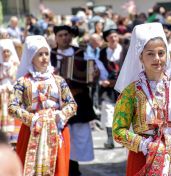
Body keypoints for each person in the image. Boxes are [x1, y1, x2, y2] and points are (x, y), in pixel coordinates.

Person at [113, 22, 171, 176]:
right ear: (140, 57)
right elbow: (118, 131)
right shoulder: (131, 92)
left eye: (161, 53)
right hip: (143, 158)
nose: (157, 58)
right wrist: (145, 145)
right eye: (150, 53)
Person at [8, 35, 77, 176]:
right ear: (31, 57)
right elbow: (12, 107)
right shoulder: (23, 82)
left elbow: (72, 104)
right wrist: (32, 119)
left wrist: (61, 115)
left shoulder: (58, 80)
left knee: (58, 169)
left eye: (46, 53)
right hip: (32, 130)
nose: (44, 57)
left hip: (57, 129)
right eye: (40, 54)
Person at [51, 25, 97, 176]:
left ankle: (73, 169)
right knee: (60, 136)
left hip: (78, 101)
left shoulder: (81, 53)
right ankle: (63, 168)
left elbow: (95, 70)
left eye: (67, 35)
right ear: (56, 38)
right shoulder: (49, 55)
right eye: (61, 35)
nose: (65, 38)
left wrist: (94, 73)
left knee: (76, 137)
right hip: (56, 102)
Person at [99, 28, 124, 149]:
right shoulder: (103, 52)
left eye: (115, 36)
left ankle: (126, 139)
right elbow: (100, 68)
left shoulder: (125, 50)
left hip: (124, 88)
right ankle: (110, 139)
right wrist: (102, 80)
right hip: (108, 88)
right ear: (106, 40)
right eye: (111, 37)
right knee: (108, 111)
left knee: (125, 112)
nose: (114, 39)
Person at [0, 39, 20, 145]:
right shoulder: (0, 65)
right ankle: (3, 135)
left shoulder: (15, 65)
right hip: (1, 92)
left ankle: (12, 136)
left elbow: (17, 79)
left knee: (11, 112)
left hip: (11, 92)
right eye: (4, 51)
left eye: (8, 51)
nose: (6, 54)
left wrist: (12, 88)